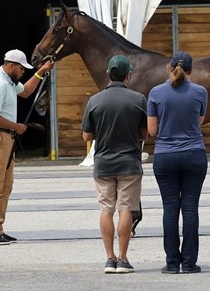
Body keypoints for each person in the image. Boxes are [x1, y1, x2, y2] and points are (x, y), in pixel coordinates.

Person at [0, 49, 54, 246]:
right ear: (10, 65)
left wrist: (42, 71)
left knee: (5, 185)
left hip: (5, 137)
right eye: (21, 68)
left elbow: (26, 91)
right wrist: (16, 126)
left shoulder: (9, 81)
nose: (22, 72)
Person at [81, 55, 147, 274]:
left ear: (108, 74)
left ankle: (109, 259)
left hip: (103, 164)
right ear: (128, 75)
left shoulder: (95, 101)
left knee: (106, 210)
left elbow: (86, 135)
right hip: (129, 162)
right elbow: (144, 133)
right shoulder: (138, 99)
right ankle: (123, 258)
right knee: (126, 209)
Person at [147, 51, 208, 274]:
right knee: (190, 208)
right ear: (191, 70)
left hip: (165, 155)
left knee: (170, 209)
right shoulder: (200, 92)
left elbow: (152, 131)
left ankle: (172, 263)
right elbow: (198, 121)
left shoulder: (155, 93)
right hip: (194, 153)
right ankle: (190, 263)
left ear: (168, 67)